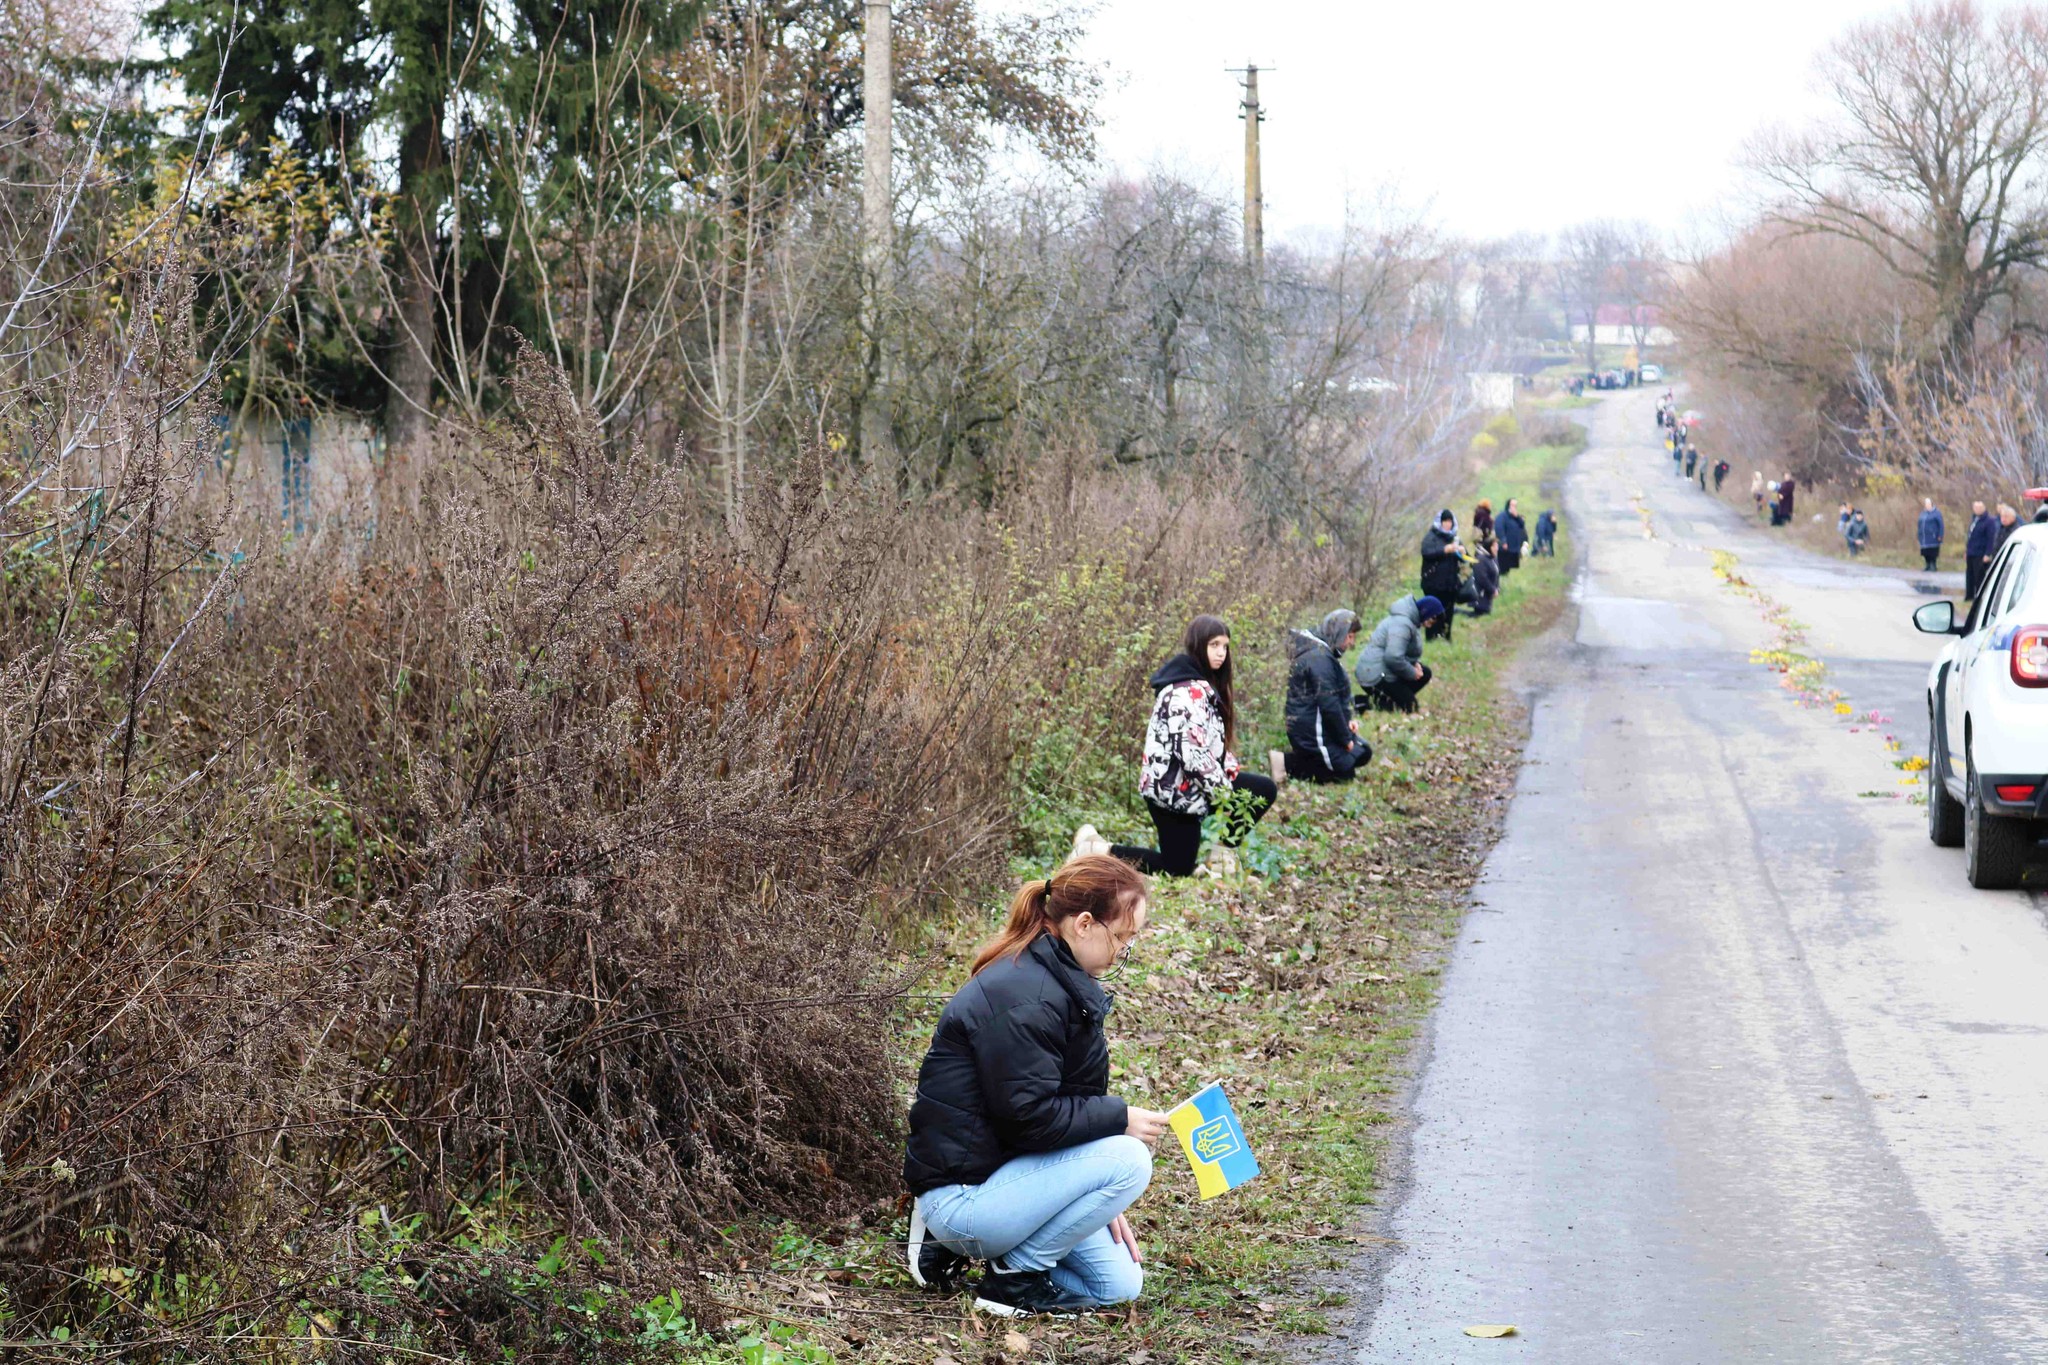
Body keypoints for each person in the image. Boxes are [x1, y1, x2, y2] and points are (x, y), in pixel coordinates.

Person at [903, 855, 1164, 1317]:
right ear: (1084, 925)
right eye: (1123, 936)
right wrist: (1119, 1123)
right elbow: (1029, 1118)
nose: (1126, 949)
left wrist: (1092, 1193)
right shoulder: (1024, 995)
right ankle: (1012, 1279)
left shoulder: (1062, 979)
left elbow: (1064, 1102)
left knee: (1117, 1285)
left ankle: (1015, 1264)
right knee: (1130, 1157)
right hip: (964, 1197)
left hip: (1012, 1177)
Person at [1282, 609, 1371, 784]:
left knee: (1364, 751)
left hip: (1321, 726)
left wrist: (1347, 721)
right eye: (1350, 636)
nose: (1351, 643)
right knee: (1345, 774)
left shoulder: (1322, 652)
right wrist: (1345, 739)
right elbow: (1329, 704)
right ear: (1338, 631)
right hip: (1313, 732)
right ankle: (1285, 763)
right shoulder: (1318, 658)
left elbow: (1336, 697)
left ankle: (1306, 761)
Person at [1355, 595, 1441, 713]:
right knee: (1409, 707)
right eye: (1433, 618)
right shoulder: (1402, 624)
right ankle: (1362, 702)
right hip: (1375, 674)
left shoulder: (1411, 622)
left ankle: (1396, 698)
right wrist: (1412, 672)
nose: (1432, 623)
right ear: (1425, 612)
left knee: (1424, 673)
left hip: (1384, 669)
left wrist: (1414, 664)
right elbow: (1393, 657)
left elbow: (1402, 651)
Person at [1419, 510, 1464, 642]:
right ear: (1440, 522)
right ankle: (1431, 637)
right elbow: (1426, 552)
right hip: (1433, 583)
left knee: (1448, 611)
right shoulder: (1431, 537)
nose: (1447, 525)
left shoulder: (1455, 538)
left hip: (1450, 583)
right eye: (1445, 522)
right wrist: (1444, 550)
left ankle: (1445, 636)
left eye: (1450, 522)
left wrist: (1462, 551)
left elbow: (1465, 558)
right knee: (1432, 611)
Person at [1965, 500, 1996, 598]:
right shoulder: (1974, 520)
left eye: (1979, 508)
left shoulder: (1989, 521)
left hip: (1981, 553)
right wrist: (1966, 551)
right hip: (1971, 552)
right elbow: (1970, 537)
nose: (1977, 510)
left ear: (1983, 508)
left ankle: (1979, 596)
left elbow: (1991, 538)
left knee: (1979, 576)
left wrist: (1988, 553)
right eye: (1975, 508)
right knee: (1970, 575)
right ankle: (1969, 596)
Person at [1496, 498, 1529, 575]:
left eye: (1515, 505)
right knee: (1504, 565)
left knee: (1512, 566)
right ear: (1508, 505)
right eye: (1512, 505)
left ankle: (1510, 575)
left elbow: (1522, 525)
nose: (1514, 507)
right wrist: (1503, 541)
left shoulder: (1516, 517)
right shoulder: (1502, 516)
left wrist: (1517, 517)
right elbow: (1499, 529)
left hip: (1514, 545)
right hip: (1506, 545)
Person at [1469, 538, 1500, 616]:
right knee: (1479, 615)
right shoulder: (1481, 559)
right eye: (1494, 546)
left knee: (1485, 614)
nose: (1497, 548)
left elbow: (1496, 574)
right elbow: (1482, 578)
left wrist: (1497, 588)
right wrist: (1492, 589)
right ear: (1489, 547)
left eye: (1497, 546)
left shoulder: (1493, 558)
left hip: (1488, 596)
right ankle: (1456, 611)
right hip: (1480, 595)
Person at [1916, 498, 1945, 571]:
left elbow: (1941, 525)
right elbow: (1919, 524)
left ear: (1931, 504)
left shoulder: (1936, 513)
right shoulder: (1923, 513)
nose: (1927, 506)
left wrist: (1940, 535)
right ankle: (1927, 565)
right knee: (1925, 552)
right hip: (1924, 537)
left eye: (1928, 504)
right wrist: (1919, 534)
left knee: (1932, 552)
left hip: (1933, 536)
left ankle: (1933, 565)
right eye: (1926, 504)